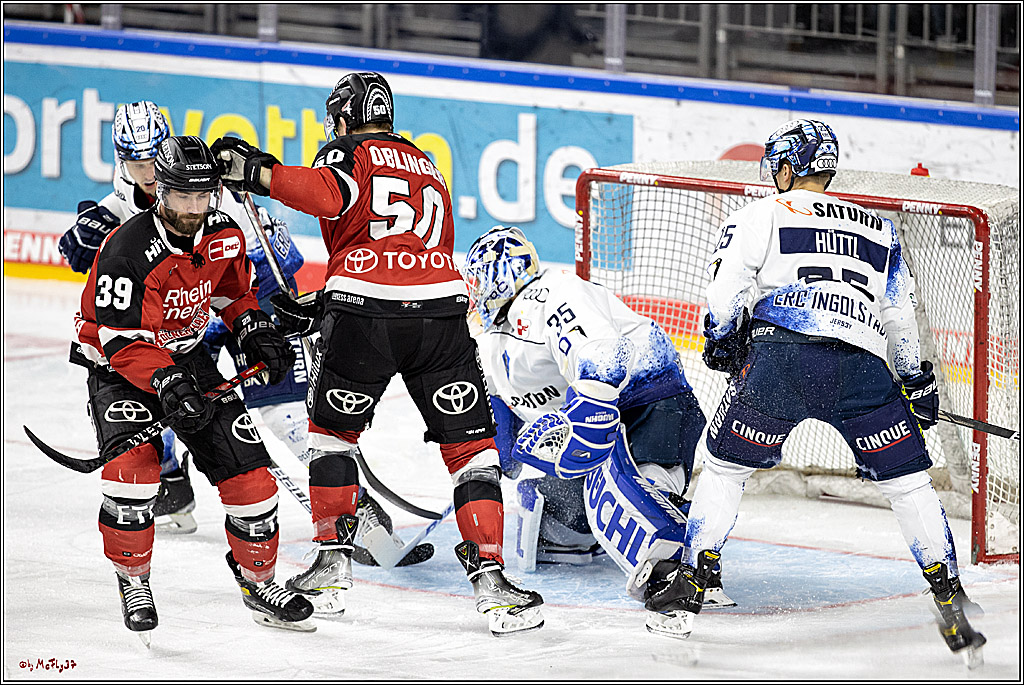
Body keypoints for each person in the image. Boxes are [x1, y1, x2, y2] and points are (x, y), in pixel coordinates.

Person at [210, 71, 544, 636]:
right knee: (473, 452)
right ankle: (493, 584)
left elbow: (327, 194)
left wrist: (260, 172)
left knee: (331, 438)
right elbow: (404, 252)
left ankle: (330, 568)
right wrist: (324, 301)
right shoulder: (427, 163)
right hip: (441, 315)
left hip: (366, 321)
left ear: (342, 118)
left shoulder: (347, 150)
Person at [649, 119, 987, 658]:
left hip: (782, 361)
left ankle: (693, 585)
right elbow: (901, 317)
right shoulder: (880, 229)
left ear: (785, 168)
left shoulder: (758, 214)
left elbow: (725, 291)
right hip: (863, 368)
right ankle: (951, 600)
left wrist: (720, 341)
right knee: (908, 487)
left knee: (725, 468)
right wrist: (915, 381)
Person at [71, 135, 314, 639]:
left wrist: (253, 327)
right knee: (130, 478)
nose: (193, 208)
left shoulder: (224, 232)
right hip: (123, 368)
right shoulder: (126, 249)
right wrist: (164, 382)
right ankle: (133, 578)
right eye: (183, 197)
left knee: (251, 479)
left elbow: (232, 292)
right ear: (162, 191)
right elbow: (120, 339)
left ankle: (259, 582)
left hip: (187, 360)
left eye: (202, 198)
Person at [462, 225, 733, 637]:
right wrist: (498, 457)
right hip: (592, 430)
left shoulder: (555, 294)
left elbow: (603, 359)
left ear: (499, 275)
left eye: (478, 278)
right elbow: (505, 436)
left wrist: (588, 424)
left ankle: (678, 569)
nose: (474, 290)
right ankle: (578, 518)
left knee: (647, 490)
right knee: (565, 517)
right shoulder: (490, 343)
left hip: (650, 403)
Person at [58, 101, 309, 535]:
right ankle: (172, 481)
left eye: (154, 157)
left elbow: (267, 256)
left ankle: (348, 504)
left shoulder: (201, 179)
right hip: (173, 321)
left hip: (241, 288)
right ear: (122, 161)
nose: (148, 172)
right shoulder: (118, 203)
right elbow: (94, 262)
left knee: (281, 407)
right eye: (137, 162)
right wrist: (82, 240)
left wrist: (256, 322)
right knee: (169, 394)